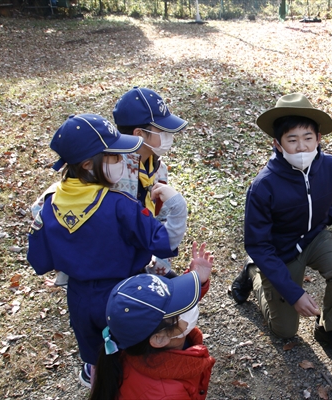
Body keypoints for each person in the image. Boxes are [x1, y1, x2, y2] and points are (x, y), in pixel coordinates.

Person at [27, 114, 188, 388]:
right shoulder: (120, 205)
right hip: (124, 294)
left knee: (94, 354)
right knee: (131, 352)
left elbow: (39, 261)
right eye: (113, 156)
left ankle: (96, 379)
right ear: (89, 165)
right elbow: (164, 242)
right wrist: (177, 206)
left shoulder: (48, 205)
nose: (121, 162)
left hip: (78, 298)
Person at [230, 93, 332, 358]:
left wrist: (328, 216)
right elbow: (258, 243)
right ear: (278, 144)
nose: (301, 147)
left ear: (319, 138)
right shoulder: (263, 185)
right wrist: (294, 294)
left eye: (307, 138)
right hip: (280, 250)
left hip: (314, 238)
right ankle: (253, 273)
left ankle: (329, 328)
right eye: (292, 140)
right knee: (285, 330)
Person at [90, 242, 215, 400]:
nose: (189, 309)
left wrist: (197, 280)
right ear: (159, 338)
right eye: (181, 309)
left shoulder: (132, 342)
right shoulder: (167, 395)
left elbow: (161, 309)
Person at [112, 86, 189, 277]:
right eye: (162, 130)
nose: (169, 136)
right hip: (115, 271)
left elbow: (159, 220)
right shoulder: (113, 171)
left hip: (146, 262)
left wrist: (159, 268)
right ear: (139, 134)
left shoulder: (156, 166)